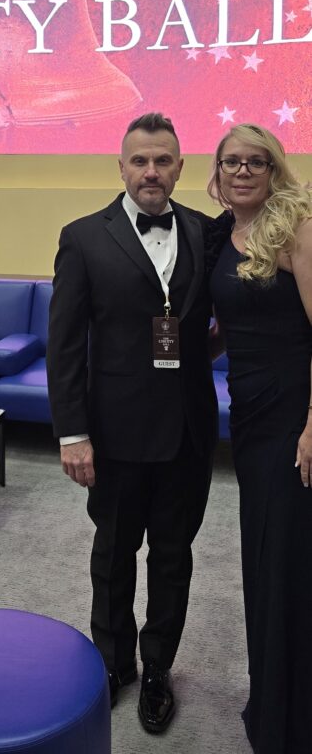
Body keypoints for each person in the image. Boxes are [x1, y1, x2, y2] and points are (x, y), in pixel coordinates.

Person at [46, 111, 217, 734]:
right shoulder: (83, 237)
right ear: (120, 167)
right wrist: (73, 433)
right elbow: (63, 344)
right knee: (114, 554)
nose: (151, 171)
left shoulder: (205, 232)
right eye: (140, 160)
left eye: (163, 160)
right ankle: (113, 663)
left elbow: (208, 327)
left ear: (180, 167)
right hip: (112, 435)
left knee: (173, 558)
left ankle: (157, 669)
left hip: (189, 435)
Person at [207, 123, 312, 754]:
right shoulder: (223, 235)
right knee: (263, 557)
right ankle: (270, 699)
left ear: (274, 170)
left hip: (291, 413)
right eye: (232, 162)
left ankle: (292, 723)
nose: (244, 171)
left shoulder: (298, 226)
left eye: (257, 162)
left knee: (288, 562)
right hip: (247, 411)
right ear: (217, 174)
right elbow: (233, 322)